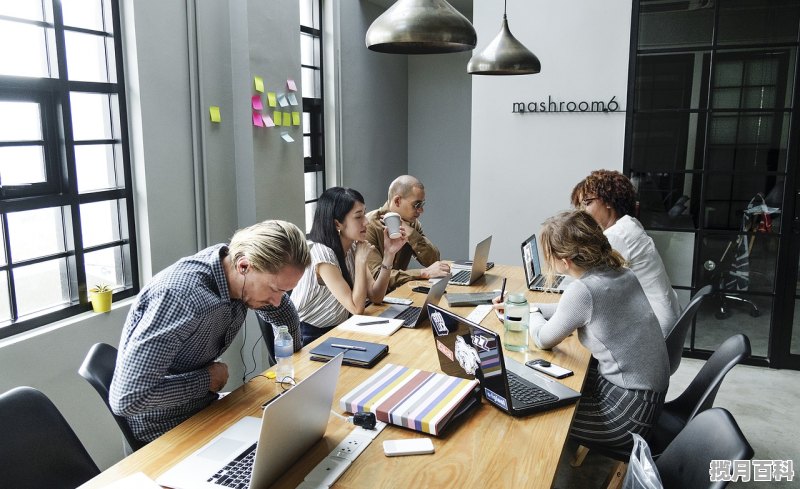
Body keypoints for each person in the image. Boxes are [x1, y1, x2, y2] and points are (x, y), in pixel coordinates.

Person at [109, 220, 311, 444]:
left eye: (285, 291)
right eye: (274, 289)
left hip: (206, 406)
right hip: (165, 429)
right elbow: (128, 399)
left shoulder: (232, 266)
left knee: (295, 438)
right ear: (244, 267)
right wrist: (207, 380)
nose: (276, 301)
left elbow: (283, 311)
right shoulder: (180, 298)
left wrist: (294, 358)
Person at [500, 211, 669, 450]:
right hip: (648, 398)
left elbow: (542, 338)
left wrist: (529, 313)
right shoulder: (622, 273)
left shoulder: (583, 292)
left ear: (564, 260)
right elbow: (570, 310)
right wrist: (530, 307)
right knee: (547, 380)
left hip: (629, 415)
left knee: (529, 410)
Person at [291, 187, 407, 345]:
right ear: (337, 223)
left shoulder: (353, 246)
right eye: (358, 216)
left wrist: (389, 254)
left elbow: (376, 296)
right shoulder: (323, 255)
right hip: (310, 335)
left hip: (340, 327)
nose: (366, 221)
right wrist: (360, 261)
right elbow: (356, 309)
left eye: (364, 213)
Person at [571, 169, 680, 336]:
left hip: (655, 330)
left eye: (588, 202)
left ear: (608, 201)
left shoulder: (618, 236)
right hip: (662, 318)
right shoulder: (629, 224)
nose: (584, 212)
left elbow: (587, 286)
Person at [365, 175, 450, 290]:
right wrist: (422, 273)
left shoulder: (412, 224)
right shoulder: (369, 226)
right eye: (417, 205)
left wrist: (411, 233)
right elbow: (377, 277)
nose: (421, 210)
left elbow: (434, 261)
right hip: (372, 302)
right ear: (397, 201)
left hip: (397, 294)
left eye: (422, 204)